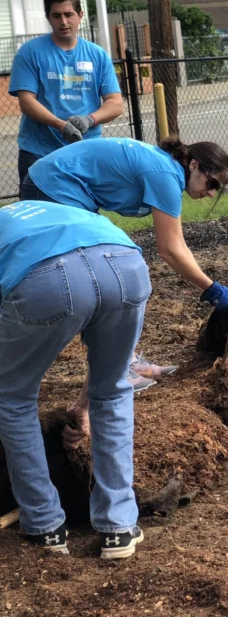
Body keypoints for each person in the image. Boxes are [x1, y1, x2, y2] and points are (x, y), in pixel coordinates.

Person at [20, 137, 228, 390]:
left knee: (110, 272)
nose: (212, 192)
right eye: (212, 182)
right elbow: (169, 250)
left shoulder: (167, 171)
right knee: (99, 277)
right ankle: (117, 366)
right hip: (51, 185)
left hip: (58, 184)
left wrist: (211, 286)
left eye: (218, 188)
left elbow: (178, 244)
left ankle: (125, 359)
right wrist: (212, 289)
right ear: (194, 165)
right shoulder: (165, 174)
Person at [0, 201, 150, 559]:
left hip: (45, 279)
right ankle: (119, 528)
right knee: (113, 391)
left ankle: (45, 526)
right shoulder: (45, 210)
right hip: (125, 265)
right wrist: (84, 404)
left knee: (13, 398)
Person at [9, 0, 123, 191]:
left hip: (85, 151)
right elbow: (27, 102)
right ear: (48, 18)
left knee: (83, 214)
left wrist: (90, 119)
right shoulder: (29, 53)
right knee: (38, 215)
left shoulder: (97, 55)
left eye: (69, 14)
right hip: (38, 153)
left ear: (80, 16)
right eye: (56, 16)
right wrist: (61, 125)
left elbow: (115, 103)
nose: (63, 22)